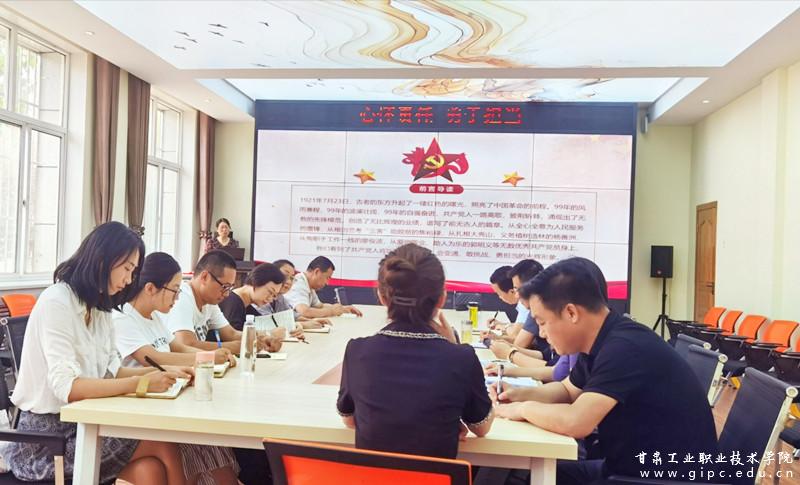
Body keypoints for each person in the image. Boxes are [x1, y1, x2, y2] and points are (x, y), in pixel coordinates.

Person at [494, 258, 718, 483]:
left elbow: (576, 422)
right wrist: (516, 394)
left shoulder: (624, 347)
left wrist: (522, 408)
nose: (542, 334)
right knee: (526, 476)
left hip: (662, 478)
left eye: (542, 322)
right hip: (627, 469)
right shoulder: (600, 339)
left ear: (571, 313)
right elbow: (567, 390)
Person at [1, 221, 190, 484]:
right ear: (103, 260)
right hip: (46, 442)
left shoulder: (100, 307)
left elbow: (111, 372)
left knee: (150, 469)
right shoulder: (57, 301)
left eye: (133, 271)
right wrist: (142, 383)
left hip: (85, 422)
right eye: (127, 269)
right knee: (160, 441)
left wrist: (164, 372)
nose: (129, 280)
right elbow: (67, 387)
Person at [336, 243, 493, 458]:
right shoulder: (460, 357)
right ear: (442, 298)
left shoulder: (358, 351)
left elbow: (350, 420)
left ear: (381, 297)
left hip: (373, 475)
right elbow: (482, 427)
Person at [113, 252, 240, 485]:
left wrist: (210, 357)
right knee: (194, 444)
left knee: (210, 443)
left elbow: (179, 348)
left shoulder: (154, 317)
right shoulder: (123, 318)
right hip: (144, 411)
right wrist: (206, 358)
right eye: (174, 290)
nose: (177, 298)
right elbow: (154, 358)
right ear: (150, 289)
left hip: (169, 402)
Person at [163, 250, 281, 354]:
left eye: (229, 288)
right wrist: (234, 346)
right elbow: (186, 344)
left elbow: (231, 334)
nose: (227, 294)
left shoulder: (209, 303)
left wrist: (260, 338)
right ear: (205, 277)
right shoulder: (182, 297)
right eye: (225, 287)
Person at [218, 262, 296, 339]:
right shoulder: (233, 302)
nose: (270, 299)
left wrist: (293, 327)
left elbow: (267, 323)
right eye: (270, 292)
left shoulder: (246, 304)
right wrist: (269, 334)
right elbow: (233, 336)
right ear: (255, 282)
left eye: (274, 296)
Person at [256, 259, 332, 330]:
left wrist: (311, 321)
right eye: (285, 275)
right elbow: (266, 325)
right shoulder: (261, 295)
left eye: (292, 278)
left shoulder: (280, 297)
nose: (289, 282)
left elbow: (293, 316)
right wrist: (302, 325)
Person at [284, 256, 362, 319]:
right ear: (317, 272)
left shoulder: (309, 284)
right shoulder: (299, 284)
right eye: (327, 278)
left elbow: (320, 306)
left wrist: (343, 309)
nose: (327, 283)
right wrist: (332, 312)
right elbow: (304, 312)